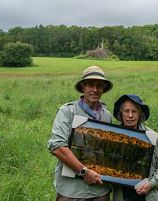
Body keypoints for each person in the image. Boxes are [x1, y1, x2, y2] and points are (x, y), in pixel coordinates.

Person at [47, 66, 113, 201]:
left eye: (99, 85)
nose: (95, 90)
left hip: (99, 190)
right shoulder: (68, 112)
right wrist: (84, 172)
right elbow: (58, 147)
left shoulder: (106, 115)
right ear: (83, 87)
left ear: (103, 88)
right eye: (90, 85)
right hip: (72, 192)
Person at [112, 94, 158, 201]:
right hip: (122, 195)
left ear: (140, 115)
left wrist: (151, 184)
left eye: (134, 111)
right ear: (121, 114)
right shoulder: (112, 136)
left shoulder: (151, 137)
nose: (130, 115)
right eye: (126, 111)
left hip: (148, 195)